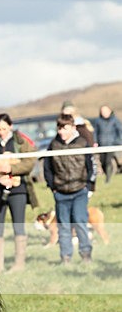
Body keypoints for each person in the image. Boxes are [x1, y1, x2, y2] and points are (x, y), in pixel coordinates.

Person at [0, 113, 38, 274]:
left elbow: (29, 162)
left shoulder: (21, 141)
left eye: (4, 128)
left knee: (18, 226)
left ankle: (19, 263)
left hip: (18, 190)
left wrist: (12, 169)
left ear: (10, 127)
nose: (1, 132)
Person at [44, 113, 96, 264]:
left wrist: (89, 187)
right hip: (60, 193)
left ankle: (86, 254)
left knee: (80, 223)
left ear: (73, 127)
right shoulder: (53, 145)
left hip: (80, 191)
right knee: (64, 227)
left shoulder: (82, 142)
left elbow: (91, 165)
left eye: (65, 128)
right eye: (59, 128)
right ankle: (65, 257)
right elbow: (47, 168)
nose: (61, 132)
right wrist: (52, 187)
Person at [93, 104, 122, 183]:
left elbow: (120, 131)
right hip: (102, 145)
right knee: (102, 161)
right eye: (102, 111)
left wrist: (118, 141)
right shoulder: (98, 121)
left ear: (110, 111)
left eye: (106, 111)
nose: (104, 113)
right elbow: (95, 132)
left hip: (111, 145)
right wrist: (95, 141)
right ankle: (108, 174)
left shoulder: (115, 120)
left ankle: (108, 179)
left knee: (108, 161)